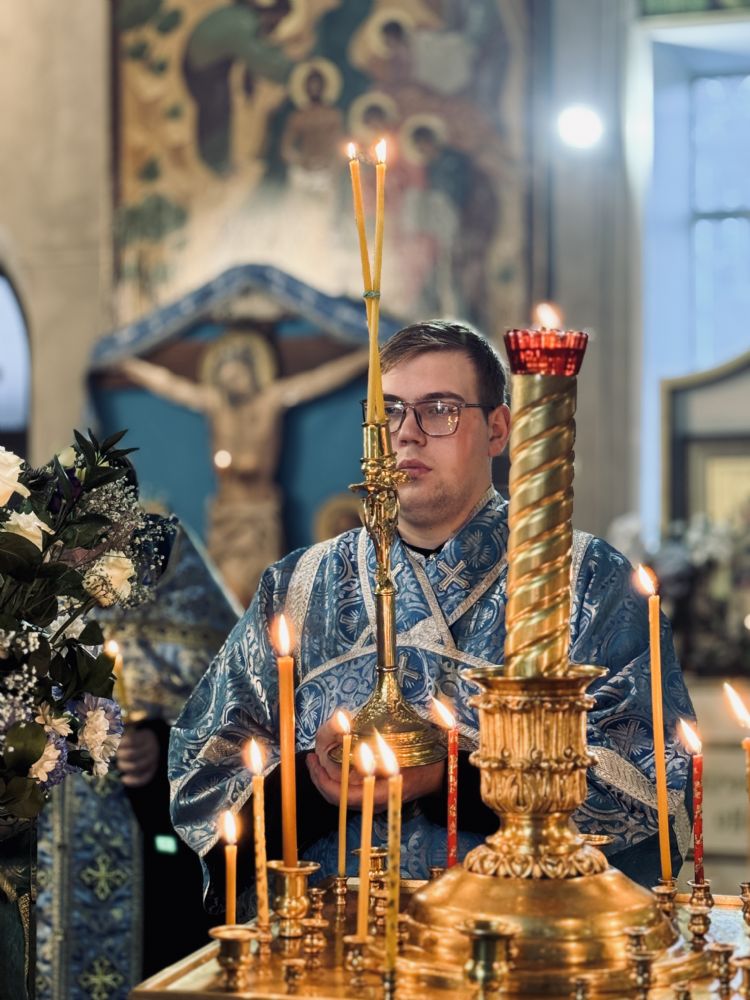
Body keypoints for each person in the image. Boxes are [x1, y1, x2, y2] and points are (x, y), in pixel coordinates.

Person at [169, 320, 695, 920]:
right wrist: (313, 785)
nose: (407, 433)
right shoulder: (297, 586)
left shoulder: (588, 580)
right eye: (390, 411)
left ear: (497, 429)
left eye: (439, 410)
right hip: (335, 940)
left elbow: (654, 783)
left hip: (519, 934)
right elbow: (204, 770)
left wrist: (451, 776)